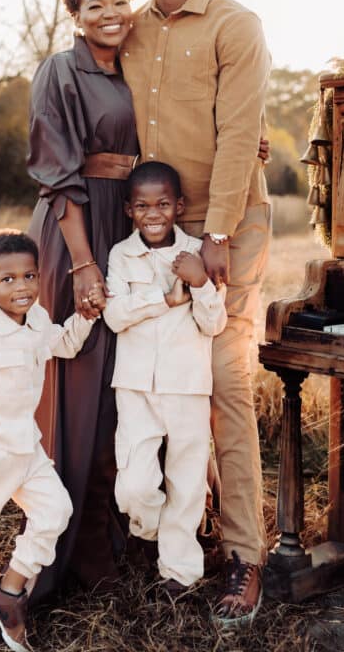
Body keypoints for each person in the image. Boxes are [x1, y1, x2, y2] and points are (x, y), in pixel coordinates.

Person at [119, 0, 272, 626]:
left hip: (224, 221)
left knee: (222, 385)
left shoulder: (234, 25)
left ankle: (245, 556)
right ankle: (188, 514)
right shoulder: (131, 29)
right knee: (164, 382)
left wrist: (215, 232)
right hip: (153, 226)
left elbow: (242, 131)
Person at [26, 0, 138, 596]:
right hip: (76, 232)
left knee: (125, 382)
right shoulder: (59, 71)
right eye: (93, 5)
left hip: (129, 227)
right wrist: (85, 263)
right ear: (75, 13)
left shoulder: (136, 69)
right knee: (81, 384)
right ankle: (77, 544)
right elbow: (57, 175)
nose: (109, 14)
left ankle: (120, 524)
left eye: (118, 1)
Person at [0, 229, 96, 652]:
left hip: (26, 448)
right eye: (7, 280)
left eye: (29, 276)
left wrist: (86, 316)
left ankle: (8, 591)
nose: (22, 287)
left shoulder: (39, 319)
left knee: (55, 510)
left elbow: (62, 345)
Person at [94, 160, 227, 595]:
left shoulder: (196, 254)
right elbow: (114, 316)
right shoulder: (120, 254)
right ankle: (154, 529)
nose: (153, 213)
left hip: (187, 385)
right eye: (143, 205)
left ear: (179, 206)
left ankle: (179, 572)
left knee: (186, 481)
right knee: (133, 486)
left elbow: (214, 324)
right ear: (129, 210)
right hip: (134, 387)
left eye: (164, 204)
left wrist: (201, 284)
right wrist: (164, 297)